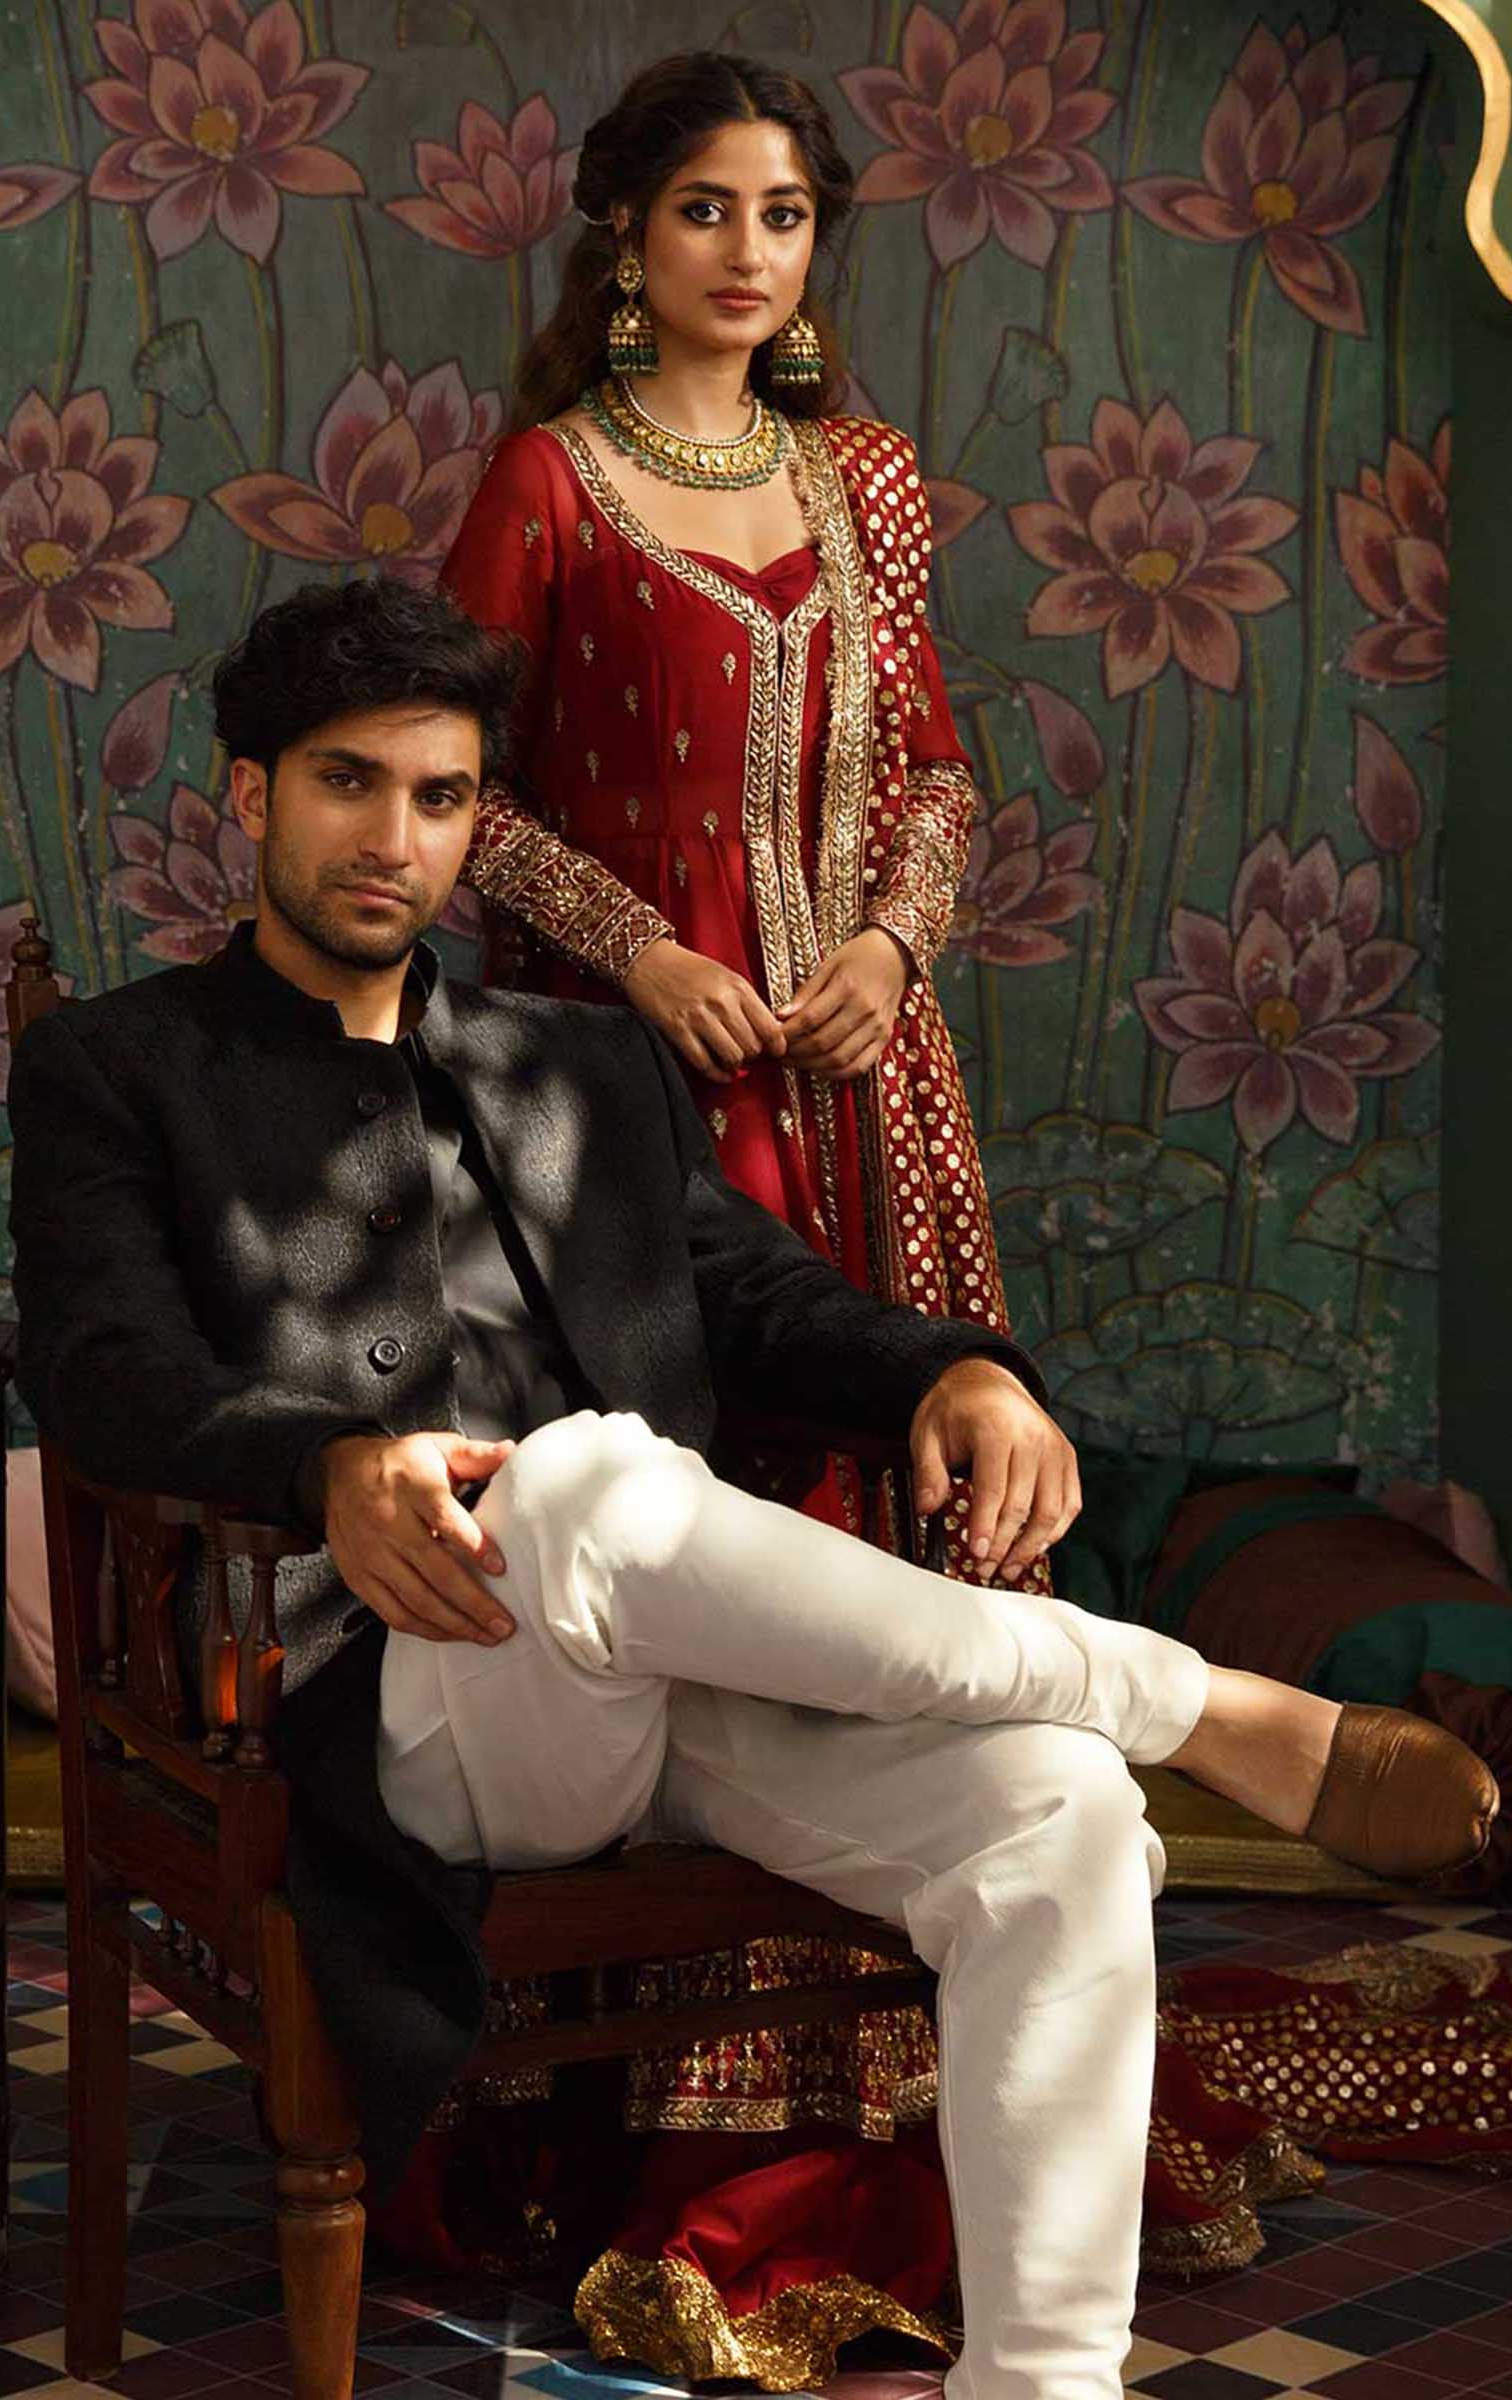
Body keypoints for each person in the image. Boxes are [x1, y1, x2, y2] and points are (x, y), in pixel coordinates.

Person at [9, 580, 1496, 2400]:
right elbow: (107, 1373)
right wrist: (321, 1465)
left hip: (663, 1667)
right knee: (575, 1489)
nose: (396, 838)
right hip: (383, 1682)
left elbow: (762, 1299)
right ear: (251, 795)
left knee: (1060, 1818)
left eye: (442, 796)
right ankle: (1187, 1698)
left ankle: (1046, 2381)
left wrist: (955, 1369)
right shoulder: (120, 1067)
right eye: (347, 783)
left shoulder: (578, 1061)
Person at [440, 51, 1008, 1571]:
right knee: (693, 1494)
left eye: (784, 214)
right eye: (705, 210)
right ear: (628, 231)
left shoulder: (867, 478)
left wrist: (891, 949)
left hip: (861, 1053)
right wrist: (642, 955)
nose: (749, 251)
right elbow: (456, 795)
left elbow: (935, 773)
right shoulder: (547, 482)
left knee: (912, 1442)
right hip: (628, 1050)